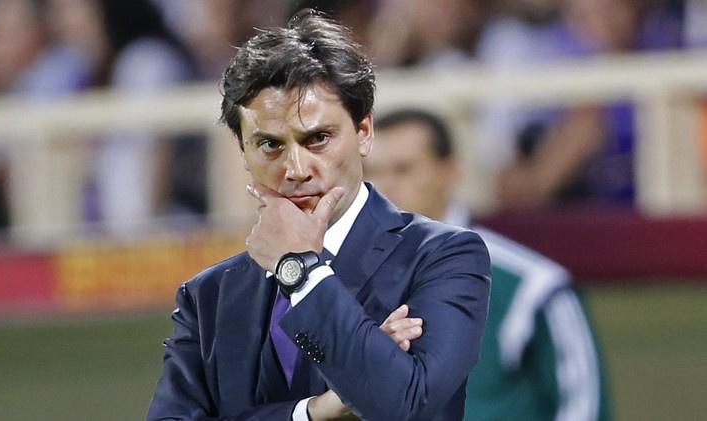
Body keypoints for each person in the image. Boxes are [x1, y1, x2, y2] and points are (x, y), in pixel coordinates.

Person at [147, 10, 491, 421]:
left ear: (364, 133)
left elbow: (407, 404)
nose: (296, 169)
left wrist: (301, 272)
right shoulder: (208, 295)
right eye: (270, 145)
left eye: (318, 138)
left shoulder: (444, 256)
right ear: (243, 151)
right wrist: (315, 410)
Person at [364, 108, 609, 420]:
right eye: (372, 171)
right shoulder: (341, 278)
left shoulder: (527, 284)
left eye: (403, 169)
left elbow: (584, 407)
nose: (385, 186)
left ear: (450, 172)